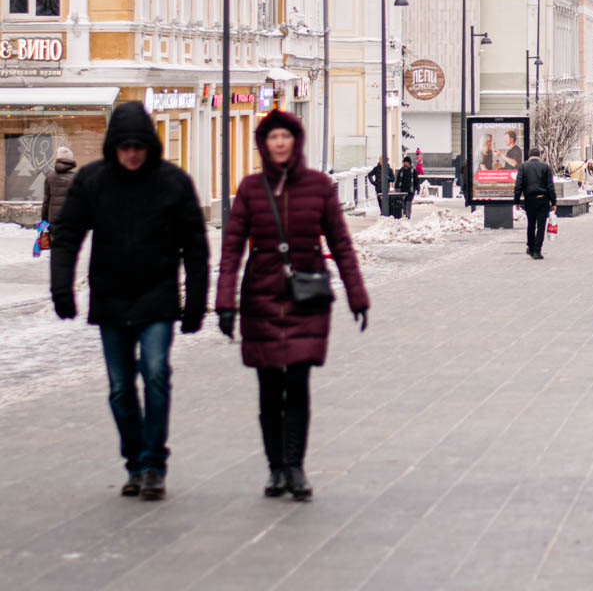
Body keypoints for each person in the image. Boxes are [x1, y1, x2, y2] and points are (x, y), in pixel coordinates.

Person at [49, 101, 208, 500]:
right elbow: (67, 235)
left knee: (155, 373)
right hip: (112, 298)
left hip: (157, 297)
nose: (133, 153)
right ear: (114, 146)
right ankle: (134, 462)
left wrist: (195, 304)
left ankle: (154, 463)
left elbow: (196, 247)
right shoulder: (93, 181)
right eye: (125, 146)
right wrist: (61, 288)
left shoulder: (172, 182)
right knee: (121, 388)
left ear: (149, 145)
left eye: (139, 145)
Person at [217, 110, 370, 503]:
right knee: (269, 386)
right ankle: (275, 468)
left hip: (307, 297)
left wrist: (357, 295)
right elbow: (232, 248)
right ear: (264, 144)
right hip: (261, 297)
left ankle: (296, 467)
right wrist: (224, 302)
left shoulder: (318, 186)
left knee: (298, 384)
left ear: (295, 141)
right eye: (273, 137)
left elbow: (340, 243)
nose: (280, 143)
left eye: (286, 136)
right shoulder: (251, 189)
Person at [515, 147, 557, 259]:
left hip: (529, 199)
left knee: (531, 224)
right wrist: (553, 202)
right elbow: (550, 186)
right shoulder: (545, 167)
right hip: (543, 200)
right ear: (539, 156)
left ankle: (530, 246)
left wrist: (517, 201)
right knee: (541, 226)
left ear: (529, 156)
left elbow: (518, 185)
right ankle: (537, 251)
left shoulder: (523, 167)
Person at [40, 144, 78, 239]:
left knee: (56, 251)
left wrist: (44, 220)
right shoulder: (77, 178)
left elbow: (46, 202)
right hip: (71, 223)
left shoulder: (50, 177)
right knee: (70, 251)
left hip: (54, 223)